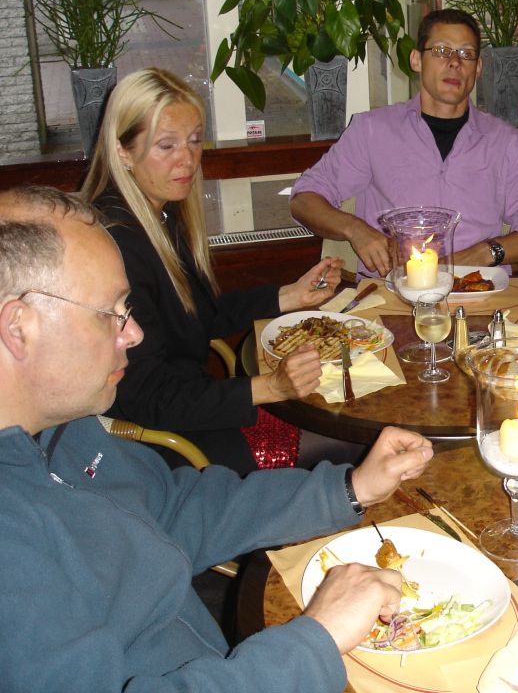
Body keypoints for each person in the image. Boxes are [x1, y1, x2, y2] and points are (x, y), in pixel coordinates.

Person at [0, 185, 434, 691]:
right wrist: (317, 638)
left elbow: (176, 509)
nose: (133, 333)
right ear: (19, 327)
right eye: (110, 313)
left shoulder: (59, 427)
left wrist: (349, 487)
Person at [81, 68, 344, 474]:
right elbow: (147, 397)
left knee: (340, 405)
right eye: (166, 145)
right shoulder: (117, 246)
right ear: (123, 151)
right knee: (348, 436)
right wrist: (269, 387)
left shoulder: (157, 215)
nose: (187, 159)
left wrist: (290, 295)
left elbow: (197, 314)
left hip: (194, 405)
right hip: (164, 443)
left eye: (193, 140)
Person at [289, 8, 518, 277]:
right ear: (416, 60)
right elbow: (304, 199)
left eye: (466, 54)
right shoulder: (372, 131)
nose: (454, 62)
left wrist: (481, 254)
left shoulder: (507, 144)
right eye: (442, 51)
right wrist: (356, 230)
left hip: (476, 290)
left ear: (478, 68)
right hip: (390, 293)